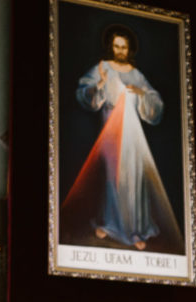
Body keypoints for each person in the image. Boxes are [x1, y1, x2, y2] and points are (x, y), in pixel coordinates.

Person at [61, 25, 181, 252]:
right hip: (110, 129)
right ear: (111, 46)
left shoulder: (136, 74)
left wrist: (143, 94)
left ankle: (135, 229)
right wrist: (100, 83)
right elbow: (85, 93)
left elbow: (155, 101)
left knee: (134, 177)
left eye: (124, 47)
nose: (120, 50)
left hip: (133, 133)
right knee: (112, 175)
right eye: (116, 46)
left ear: (129, 49)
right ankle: (109, 223)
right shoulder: (103, 68)